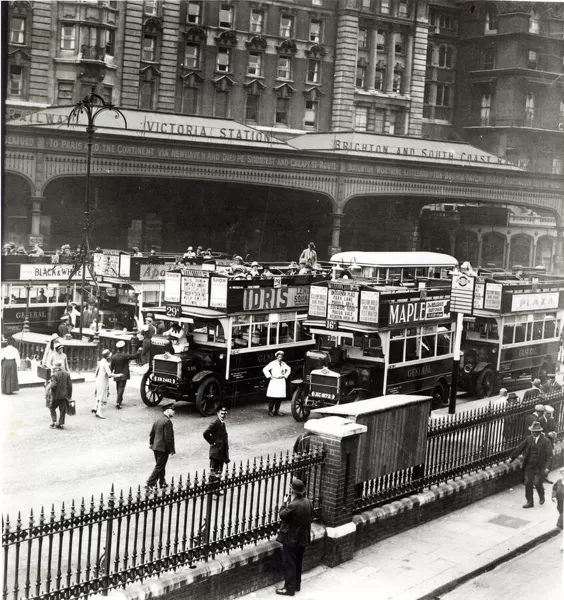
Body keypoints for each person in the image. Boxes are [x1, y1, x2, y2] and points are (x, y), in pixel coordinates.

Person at [275, 478, 314, 597]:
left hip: (292, 540)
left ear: (292, 491)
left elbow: (282, 515)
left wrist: (283, 503)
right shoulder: (308, 502)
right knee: (298, 562)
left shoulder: (293, 505)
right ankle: (297, 584)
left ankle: (289, 588)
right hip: (303, 539)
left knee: (289, 563)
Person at [510, 421, 553, 508]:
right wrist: (512, 457)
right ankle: (530, 502)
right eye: (531, 431)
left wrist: (547, 468)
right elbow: (520, 447)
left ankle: (541, 495)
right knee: (528, 482)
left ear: (539, 432)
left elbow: (550, 456)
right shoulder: (529, 438)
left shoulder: (546, 441)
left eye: (534, 432)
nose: (532, 433)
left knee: (537, 483)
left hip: (539, 467)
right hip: (529, 465)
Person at [146, 400, 176, 491]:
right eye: (172, 410)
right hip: (163, 449)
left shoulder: (158, 420)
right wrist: (171, 449)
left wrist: (151, 444)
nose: (174, 412)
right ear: (167, 411)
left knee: (160, 465)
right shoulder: (167, 422)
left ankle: (162, 482)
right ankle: (149, 483)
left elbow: (152, 434)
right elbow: (169, 438)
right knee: (159, 466)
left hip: (156, 447)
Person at [203, 406, 230, 493]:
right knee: (213, 471)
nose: (223, 415)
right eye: (221, 413)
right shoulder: (215, 423)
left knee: (219, 472)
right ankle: (212, 490)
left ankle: (216, 489)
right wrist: (212, 442)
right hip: (216, 452)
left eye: (224, 414)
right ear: (217, 413)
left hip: (221, 452)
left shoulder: (222, 423)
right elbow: (205, 433)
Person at [110, 341, 139, 409]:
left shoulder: (114, 357)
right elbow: (134, 356)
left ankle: (119, 400)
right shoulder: (125, 355)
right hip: (124, 374)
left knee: (118, 387)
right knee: (121, 388)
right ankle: (118, 402)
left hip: (116, 374)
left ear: (117, 348)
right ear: (123, 348)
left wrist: (110, 373)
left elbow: (111, 366)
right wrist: (139, 352)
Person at [263, 350, 291, 416]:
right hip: (274, 381)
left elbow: (289, 369)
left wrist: (285, 375)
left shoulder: (284, 364)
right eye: (279, 356)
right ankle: (270, 411)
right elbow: (265, 369)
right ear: (277, 357)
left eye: (281, 357)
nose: (280, 358)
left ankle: (277, 410)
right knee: (272, 397)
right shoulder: (272, 363)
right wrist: (270, 376)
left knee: (279, 397)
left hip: (281, 381)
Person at [49, 360, 72, 429]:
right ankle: (61, 424)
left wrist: (50, 390)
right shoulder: (67, 374)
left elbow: (54, 385)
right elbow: (70, 386)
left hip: (56, 396)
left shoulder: (54, 375)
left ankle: (54, 422)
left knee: (52, 408)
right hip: (64, 396)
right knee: (62, 409)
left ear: (56, 367)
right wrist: (69, 395)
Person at [92, 349, 113, 419]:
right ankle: (99, 411)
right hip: (103, 381)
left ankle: (95, 407)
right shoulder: (105, 363)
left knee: (98, 394)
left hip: (98, 380)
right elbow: (109, 374)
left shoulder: (101, 361)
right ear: (107, 356)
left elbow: (96, 372)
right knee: (101, 396)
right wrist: (118, 375)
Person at [551, 467, 564, 541]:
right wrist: (554, 497)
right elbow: (555, 489)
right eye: (562, 472)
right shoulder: (559, 481)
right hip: (560, 504)